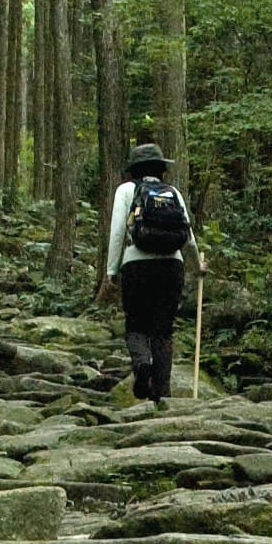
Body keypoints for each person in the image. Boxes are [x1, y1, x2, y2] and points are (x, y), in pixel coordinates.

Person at [97, 143, 204, 403]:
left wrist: (111, 271)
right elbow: (187, 236)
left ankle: (142, 365)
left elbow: (118, 233)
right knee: (163, 330)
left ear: (134, 169)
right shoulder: (173, 192)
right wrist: (197, 265)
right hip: (171, 265)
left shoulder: (126, 190)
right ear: (161, 168)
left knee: (136, 325)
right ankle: (162, 393)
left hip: (136, 264)